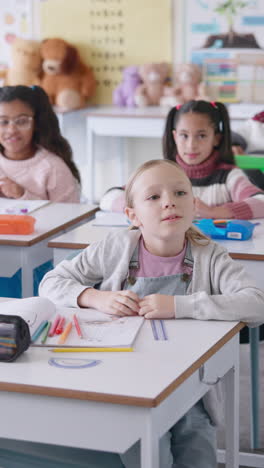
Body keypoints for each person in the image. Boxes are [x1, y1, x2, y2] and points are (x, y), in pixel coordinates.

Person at [39, 159, 264, 468]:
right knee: (145, 450)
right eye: (154, 197)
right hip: (125, 382)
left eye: (180, 193)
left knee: (196, 445)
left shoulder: (209, 254)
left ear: (194, 205)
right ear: (133, 215)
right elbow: (50, 282)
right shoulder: (116, 247)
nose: (169, 202)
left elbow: (256, 303)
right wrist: (95, 297)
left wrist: (179, 306)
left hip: (190, 388)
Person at [100, 100, 264, 219]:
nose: (191, 145)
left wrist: (214, 212)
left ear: (216, 138)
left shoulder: (229, 177)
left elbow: (261, 202)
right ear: (174, 136)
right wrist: (145, 209)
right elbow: (108, 198)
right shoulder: (159, 174)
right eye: (184, 136)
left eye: (201, 136)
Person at [0, 85, 80, 202]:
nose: (11, 130)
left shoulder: (53, 168)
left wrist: (22, 195)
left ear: (36, 123)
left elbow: (69, 216)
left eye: (21, 121)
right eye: (3, 122)